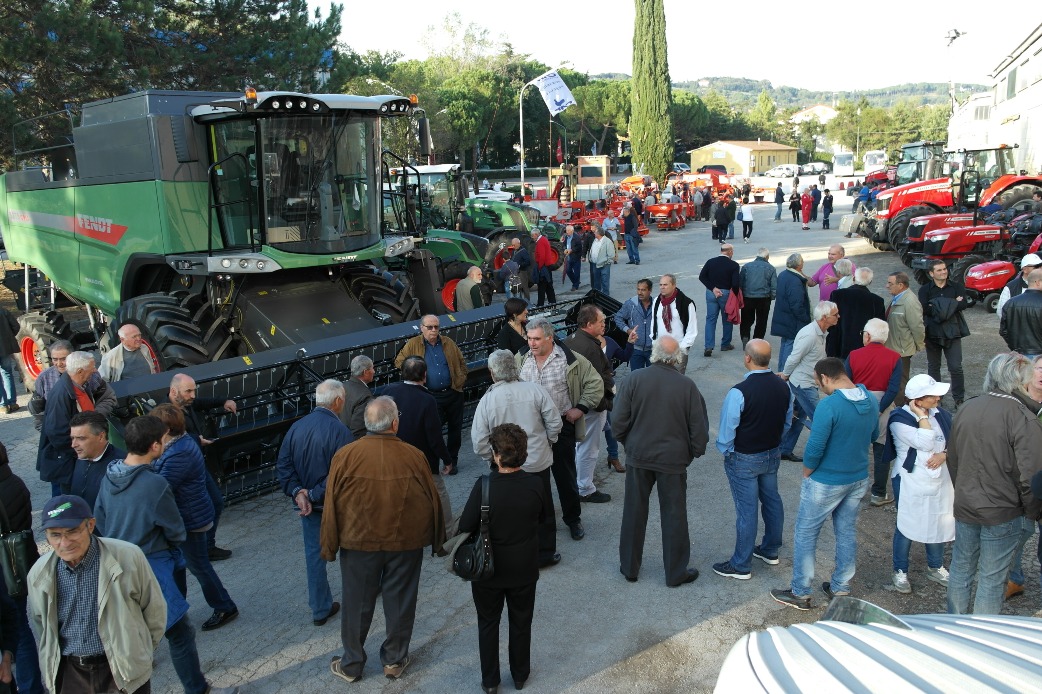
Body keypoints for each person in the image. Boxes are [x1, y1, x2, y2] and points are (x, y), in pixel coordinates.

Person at [93, 416, 237, 694]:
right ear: (155, 445)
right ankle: (197, 689)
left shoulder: (109, 474)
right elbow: (175, 530)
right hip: (153, 567)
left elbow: (100, 517)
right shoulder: (155, 485)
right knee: (180, 634)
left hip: (118, 566)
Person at [323, 397, 446, 684]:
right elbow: (433, 500)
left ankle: (352, 664)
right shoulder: (414, 455)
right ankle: (393, 659)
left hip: (358, 542)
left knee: (356, 603)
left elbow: (331, 504)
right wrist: (437, 541)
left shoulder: (345, 455)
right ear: (394, 423)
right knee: (401, 600)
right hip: (405, 541)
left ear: (367, 423)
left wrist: (329, 546)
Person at [28, 494, 166, 694]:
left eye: (72, 531)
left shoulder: (128, 556)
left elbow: (155, 611)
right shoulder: (39, 573)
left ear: (90, 525)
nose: (64, 543)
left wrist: (138, 652)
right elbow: (43, 625)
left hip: (121, 670)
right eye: (55, 535)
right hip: (70, 674)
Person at [770, 358, 879, 610]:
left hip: (826, 480)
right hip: (857, 478)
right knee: (847, 531)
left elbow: (815, 447)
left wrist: (807, 472)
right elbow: (873, 435)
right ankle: (840, 587)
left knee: (807, 533)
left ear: (825, 378)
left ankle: (801, 592)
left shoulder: (829, 405)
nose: (821, 388)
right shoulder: (870, 399)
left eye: (819, 383)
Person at [947, 353, 1042, 615]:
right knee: (991, 579)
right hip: (1003, 511)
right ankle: (979, 638)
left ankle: (954, 626)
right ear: (1020, 380)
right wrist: (1031, 512)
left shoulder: (967, 407)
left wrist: (963, 491)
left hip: (967, 504)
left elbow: (952, 459)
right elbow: (1031, 475)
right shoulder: (1022, 416)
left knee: (961, 569)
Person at [461, 423, 550, 694]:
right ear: (523, 452)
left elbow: (466, 523)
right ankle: (520, 674)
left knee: (488, 623)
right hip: (524, 566)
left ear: (496, 455)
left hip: (488, 569)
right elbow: (544, 519)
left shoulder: (484, 486)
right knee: (521, 621)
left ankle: (490, 681)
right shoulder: (535, 484)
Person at [613, 337, 708, 586]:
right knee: (674, 515)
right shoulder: (687, 386)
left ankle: (629, 568)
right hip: (673, 461)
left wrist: (628, 444)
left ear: (654, 354)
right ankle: (675, 573)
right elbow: (699, 428)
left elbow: (618, 422)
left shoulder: (634, 379)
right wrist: (692, 453)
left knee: (634, 512)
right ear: (677, 358)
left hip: (639, 456)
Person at [151, 404, 239, 632]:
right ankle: (178, 607)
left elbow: (162, 486)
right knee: (186, 564)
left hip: (190, 520)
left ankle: (224, 606)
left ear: (165, 429)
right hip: (191, 516)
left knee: (198, 566)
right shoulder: (183, 442)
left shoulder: (178, 452)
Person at [517, 315, 603, 543]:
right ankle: (542, 523)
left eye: (536, 339)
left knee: (565, 476)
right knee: (536, 479)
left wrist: (580, 408)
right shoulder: (522, 358)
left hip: (561, 426)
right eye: (529, 338)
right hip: (531, 431)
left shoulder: (570, 359)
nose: (531, 343)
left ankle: (573, 519)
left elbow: (595, 383)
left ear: (549, 337)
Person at [472, 350, 562, 568]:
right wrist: (548, 442)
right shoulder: (535, 390)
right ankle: (545, 553)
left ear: (492, 373)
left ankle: (513, 555)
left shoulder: (487, 400)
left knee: (508, 510)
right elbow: (555, 422)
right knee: (544, 508)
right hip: (537, 460)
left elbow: (478, 441)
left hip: (504, 466)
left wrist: (494, 459)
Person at [276, 379, 353, 627]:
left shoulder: (296, 428)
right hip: (337, 507)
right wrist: (311, 494)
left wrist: (298, 492)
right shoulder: (340, 431)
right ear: (338, 401)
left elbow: (283, 466)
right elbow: (342, 474)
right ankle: (364, 594)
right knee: (354, 551)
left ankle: (320, 609)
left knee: (314, 557)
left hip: (309, 509)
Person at [713, 340, 792, 579]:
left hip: (745, 457)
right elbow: (787, 422)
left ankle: (741, 564)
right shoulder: (784, 387)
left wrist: (726, 450)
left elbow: (727, 430)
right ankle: (770, 549)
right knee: (772, 501)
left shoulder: (739, 391)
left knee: (747, 510)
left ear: (747, 358)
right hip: (771, 452)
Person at [882, 375, 955, 595]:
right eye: (932, 396)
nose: (938, 399)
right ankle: (900, 570)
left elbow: (956, 440)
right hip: (910, 479)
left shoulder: (941, 414)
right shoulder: (898, 419)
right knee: (906, 525)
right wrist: (922, 417)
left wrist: (945, 454)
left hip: (939, 479)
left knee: (938, 519)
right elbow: (924, 442)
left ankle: (935, 565)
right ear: (918, 400)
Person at [163, 372, 236, 560]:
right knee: (206, 504)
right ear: (173, 391)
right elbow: (169, 440)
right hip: (183, 466)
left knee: (215, 502)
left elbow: (202, 402)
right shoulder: (164, 413)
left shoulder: (185, 402)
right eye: (188, 391)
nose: (193, 395)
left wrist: (223, 401)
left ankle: (206, 547)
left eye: (193, 390)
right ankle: (200, 549)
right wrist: (197, 439)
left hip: (196, 463)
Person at [382, 358, 455, 534]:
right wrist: (447, 459)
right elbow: (434, 436)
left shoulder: (388, 391)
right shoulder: (427, 399)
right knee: (438, 493)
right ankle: (448, 530)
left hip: (393, 457)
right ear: (424, 375)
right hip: (421, 460)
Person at [394, 315, 467, 474]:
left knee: (455, 430)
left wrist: (460, 380)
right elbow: (399, 361)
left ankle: (452, 462)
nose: (434, 330)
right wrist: (415, 372)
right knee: (432, 431)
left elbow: (461, 362)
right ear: (422, 328)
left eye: (437, 327)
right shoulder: (413, 344)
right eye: (430, 327)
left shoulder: (448, 342)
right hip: (430, 395)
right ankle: (429, 463)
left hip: (453, 392)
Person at [845, 318, 903, 506]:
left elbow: (847, 383)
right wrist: (880, 408)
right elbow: (894, 388)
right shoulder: (895, 358)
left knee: (855, 449)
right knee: (881, 452)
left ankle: (851, 490)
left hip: (858, 404)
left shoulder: (854, 355)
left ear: (868, 336)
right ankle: (878, 493)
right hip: (883, 406)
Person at [0, 444, 42, 694]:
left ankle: (29, 688)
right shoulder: (15, 482)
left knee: (17, 633)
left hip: (5, 572)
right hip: (18, 565)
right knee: (19, 627)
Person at [564, 306, 614, 504]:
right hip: (590, 407)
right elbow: (597, 381)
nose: (604, 324)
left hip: (578, 404)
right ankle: (585, 488)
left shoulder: (571, 338)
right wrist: (604, 403)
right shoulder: (590, 347)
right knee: (588, 449)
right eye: (600, 321)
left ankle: (579, 483)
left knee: (580, 447)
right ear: (589, 324)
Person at [779, 302, 838, 462]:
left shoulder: (821, 332)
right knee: (821, 419)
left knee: (797, 418)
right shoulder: (810, 335)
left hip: (806, 383)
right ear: (825, 317)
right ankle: (827, 454)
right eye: (835, 314)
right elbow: (793, 357)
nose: (838, 317)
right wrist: (785, 375)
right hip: (803, 385)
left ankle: (784, 450)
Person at [38, 352, 101, 497]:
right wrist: (81, 452)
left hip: (77, 458)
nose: (95, 370)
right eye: (92, 367)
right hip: (68, 462)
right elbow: (57, 433)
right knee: (69, 501)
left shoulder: (78, 387)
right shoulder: (62, 394)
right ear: (80, 371)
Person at [29, 340, 115, 431]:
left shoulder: (91, 374)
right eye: (55, 359)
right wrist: (47, 431)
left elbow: (107, 397)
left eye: (63, 359)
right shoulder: (44, 378)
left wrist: (95, 417)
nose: (59, 363)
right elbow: (37, 410)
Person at [919, 260, 970, 407]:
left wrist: (936, 304)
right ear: (931, 273)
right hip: (932, 333)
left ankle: (959, 398)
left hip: (953, 332)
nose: (943, 272)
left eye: (944, 269)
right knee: (933, 367)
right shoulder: (925, 290)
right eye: (939, 270)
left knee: (956, 367)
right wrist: (952, 303)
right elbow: (924, 308)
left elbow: (964, 304)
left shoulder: (957, 287)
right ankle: (936, 398)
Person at [68, 410, 126, 510]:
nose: (73, 445)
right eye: (72, 438)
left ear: (101, 437)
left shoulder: (121, 466)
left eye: (81, 438)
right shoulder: (82, 457)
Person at [884, 272, 925, 406]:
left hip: (902, 350)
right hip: (893, 348)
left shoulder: (910, 301)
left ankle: (901, 410)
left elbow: (917, 327)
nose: (886, 286)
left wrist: (919, 345)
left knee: (901, 382)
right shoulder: (897, 298)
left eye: (890, 283)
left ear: (900, 285)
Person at [829, 267, 885, 359]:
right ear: (870, 282)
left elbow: (829, 319)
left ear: (854, 278)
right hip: (864, 350)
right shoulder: (877, 301)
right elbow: (879, 329)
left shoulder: (837, 295)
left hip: (838, 346)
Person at [771, 254, 812, 371]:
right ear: (799, 265)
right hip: (792, 320)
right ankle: (784, 372)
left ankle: (781, 370)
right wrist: (805, 318)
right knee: (790, 345)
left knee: (785, 344)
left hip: (784, 317)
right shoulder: (795, 281)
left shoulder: (784, 274)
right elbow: (797, 305)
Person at [700, 244, 741, 357]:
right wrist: (736, 296)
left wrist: (713, 288)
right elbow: (735, 284)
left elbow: (702, 277)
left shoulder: (710, 262)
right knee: (727, 318)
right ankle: (725, 344)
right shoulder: (734, 265)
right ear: (730, 252)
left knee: (710, 319)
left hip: (711, 293)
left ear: (721, 251)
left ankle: (708, 346)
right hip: (726, 294)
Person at [652, 274, 698, 373]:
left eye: (665, 285)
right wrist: (654, 342)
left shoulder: (686, 303)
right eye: (660, 285)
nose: (662, 287)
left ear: (674, 285)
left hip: (678, 350)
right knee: (659, 381)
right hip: (660, 350)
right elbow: (653, 323)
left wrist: (682, 349)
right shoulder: (657, 301)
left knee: (676, 383)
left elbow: (691, 329)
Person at [1000, 267, 1042, 358]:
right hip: (1038, 354)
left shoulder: (1011, 303)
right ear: (1038, 282)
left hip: (1018, 353)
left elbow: (1003, 330)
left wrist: (1014, 348)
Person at [739, 248, 776, 348]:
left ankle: (745, 336)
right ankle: (757, 340)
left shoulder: (746, 267)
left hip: (748, 297)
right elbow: (774, 286)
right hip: (764, 298)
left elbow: (741, 283)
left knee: (746, 319)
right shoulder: (771, 268)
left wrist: (741, 296)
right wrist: (771, 297)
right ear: (767, 257)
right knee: (762, 320)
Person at [615, 279, 655, 370]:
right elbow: (618, 317)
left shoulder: (657, 305)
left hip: (653, 350)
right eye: (638, 289)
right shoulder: (630, 304)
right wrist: (627, 330)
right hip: (636, 349)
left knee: (653, 379)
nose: (640, 292)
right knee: (637, 379)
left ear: (650, 290)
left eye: (643, 290)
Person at [996, 253, 1042, 320]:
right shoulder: (1011, 287)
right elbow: (1002, 312)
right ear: (1025, 269)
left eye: (1041, 266)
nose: (1040, 269)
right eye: (1037, 266)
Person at [340, 355, 375, 440]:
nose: (374, 371)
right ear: (365, 372)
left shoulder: (341, 387)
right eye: (372, 368)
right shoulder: (365, 396)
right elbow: (359, 431)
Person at [0, 307, 20, 414]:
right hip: (5, 348)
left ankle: (3, 405)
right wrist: (9, 338)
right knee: (7, 373)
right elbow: (16, 327)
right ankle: (12, 403)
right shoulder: (4, 311)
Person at [530, 227, 556, 307]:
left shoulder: (540, 242)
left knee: (541, 287)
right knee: (548, 286)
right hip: (547, 266)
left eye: (532, 236)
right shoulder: (544, 239)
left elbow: (542, 256)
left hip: (544, 267)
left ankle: (540, 304)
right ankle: (552, 302)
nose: (532, 237)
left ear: (536, 234)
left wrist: (539, 268)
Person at [588, 226, 613, 295]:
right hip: (595, 264)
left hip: (604, 265)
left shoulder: (607, 242)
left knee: (605, 282)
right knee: (596, 282)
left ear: (599, 234)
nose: (594, 234)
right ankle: (597, 296)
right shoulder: (595, 240)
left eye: (595, 232)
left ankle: (606, 297)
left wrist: (606, 262)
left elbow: (611, 255)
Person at [561, 225, 583, 291]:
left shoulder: (577, 238)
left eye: (568, 231)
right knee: (568, 270)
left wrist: (572, 250)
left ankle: (575, 286)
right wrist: (564, 249)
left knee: (576, 272)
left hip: (576, 257)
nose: (567, 232)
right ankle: (575, 282)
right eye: (566, 230)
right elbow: (564, 245)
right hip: (568, 256)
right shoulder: (566, 237)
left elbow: (579, 247)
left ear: (572, 231)